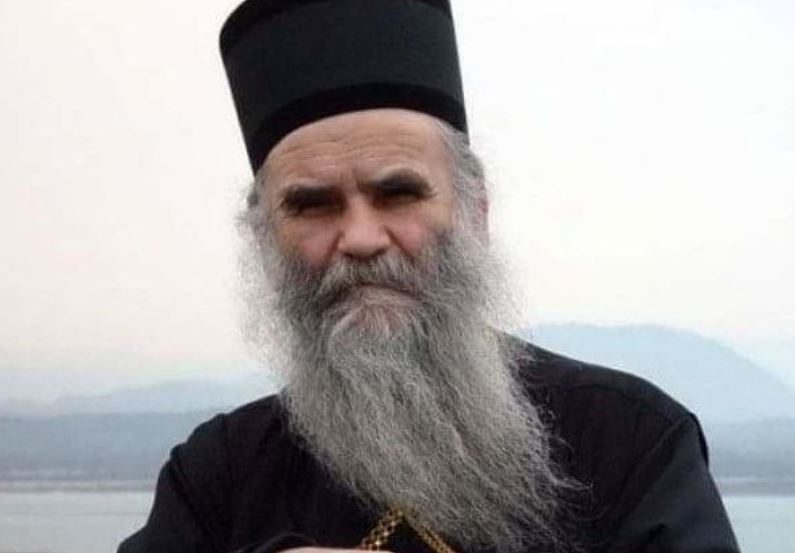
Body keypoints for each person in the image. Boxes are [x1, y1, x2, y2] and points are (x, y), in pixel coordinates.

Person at [118, 1, 740, 552]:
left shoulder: (630, 440)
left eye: (398, 194)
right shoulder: (218, 474)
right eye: (312, 205)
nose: (361, 239)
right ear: (265, 239)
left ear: (474, 212)